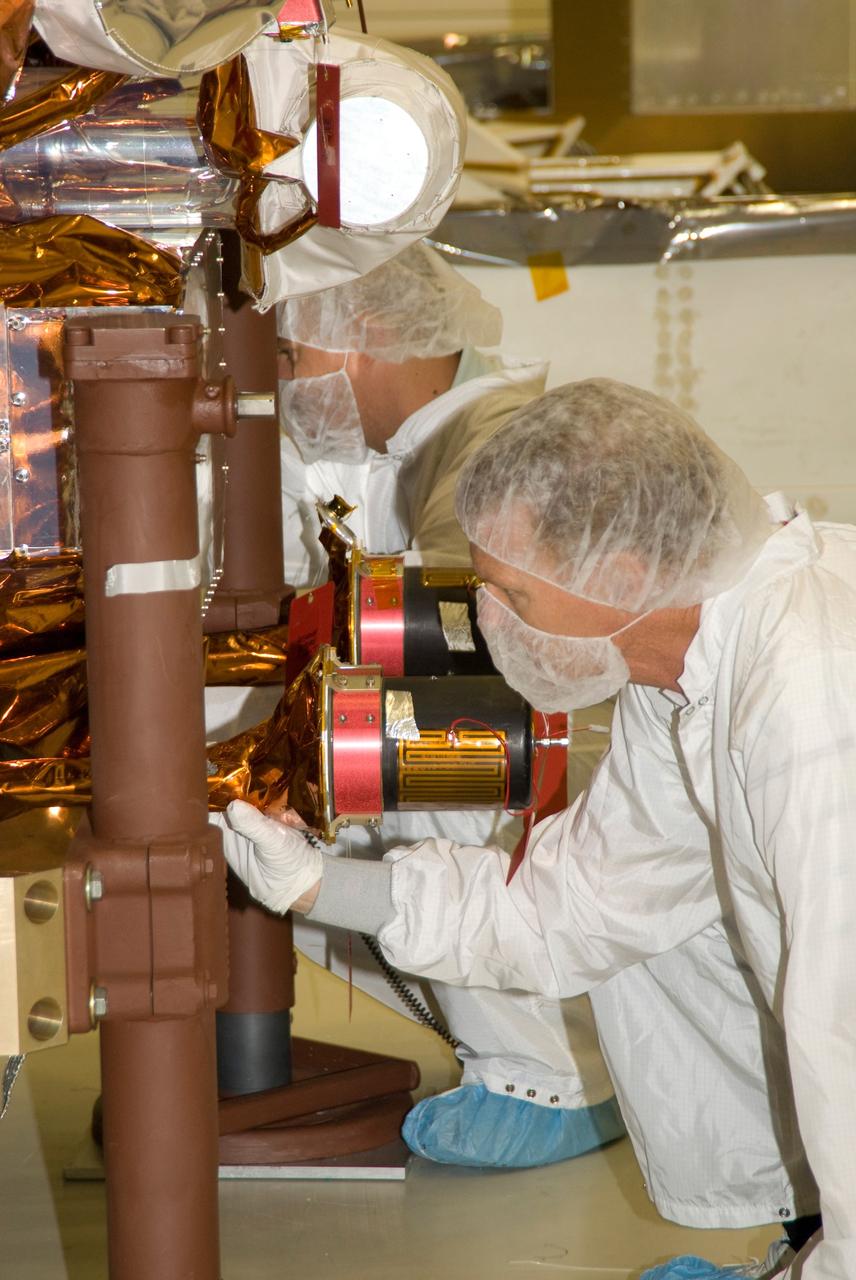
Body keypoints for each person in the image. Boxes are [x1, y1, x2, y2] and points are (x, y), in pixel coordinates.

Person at [222, 377, 855, 1279]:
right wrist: (322, 882)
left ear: (625, 577)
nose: (488, 620)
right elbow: (579, 905)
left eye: (510, 591)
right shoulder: (685, 665)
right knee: (656, 925)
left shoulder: (813, 694)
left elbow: (848, 1029)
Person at [271, 247, 624, 1169]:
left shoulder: (487, 445)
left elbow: (440, 660)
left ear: (373, 336)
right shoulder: (431, 443)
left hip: (535, 761)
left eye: (291, 356)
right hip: (549, 764)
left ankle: (548, 1070)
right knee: (308, 861)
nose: (284, 383)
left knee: (379, 787)